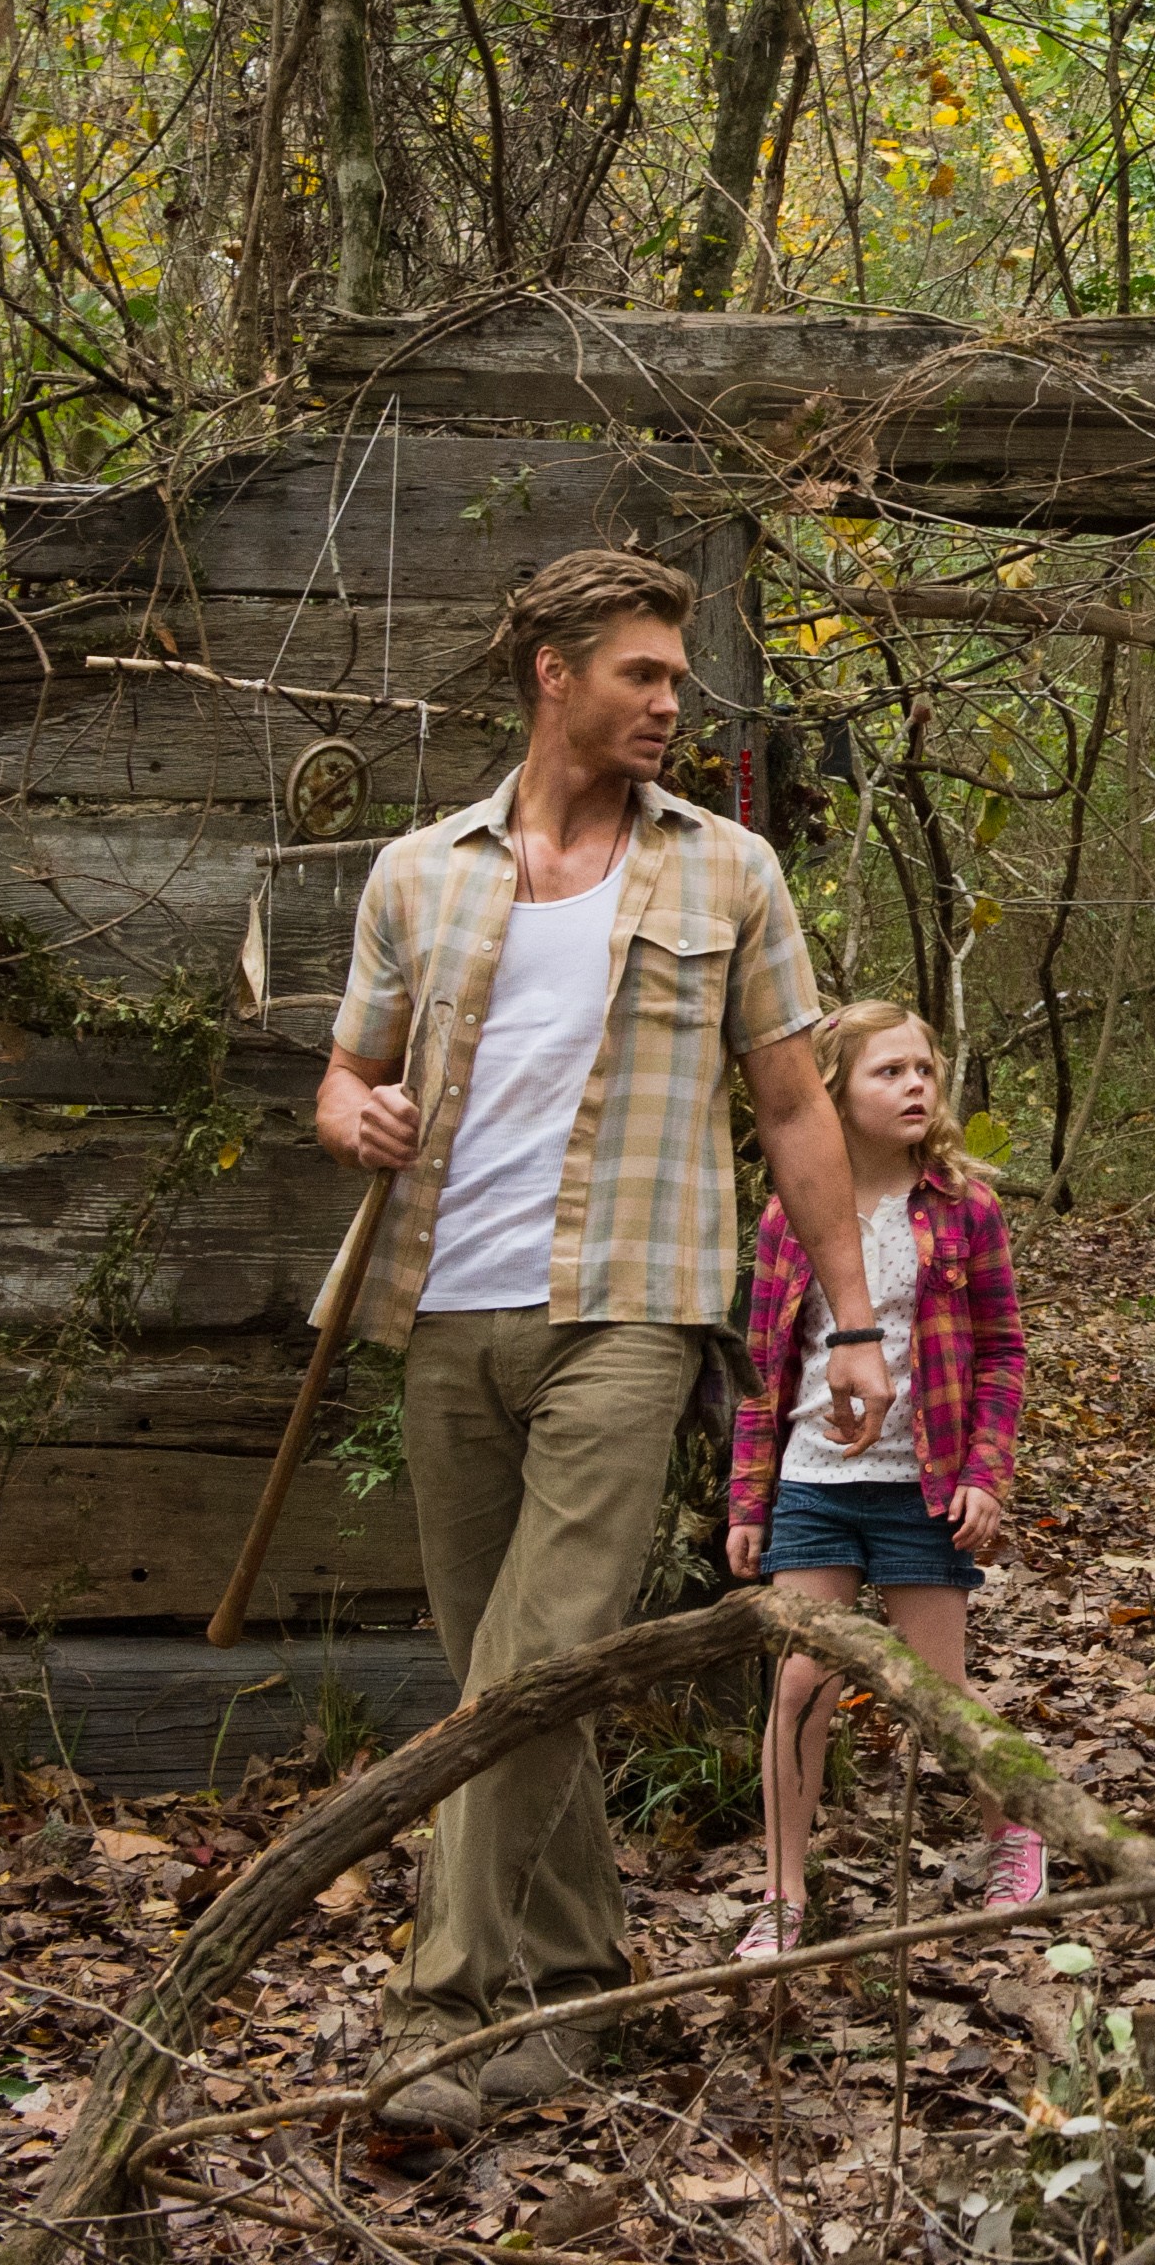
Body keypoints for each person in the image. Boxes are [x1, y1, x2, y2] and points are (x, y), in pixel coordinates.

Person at [317, 547, 893, 2136]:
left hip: (633, 1309)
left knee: (531, 1660)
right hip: (444, 1312)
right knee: (511, 1672)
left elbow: (792, 1104)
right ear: (551, 673)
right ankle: (576, 1991)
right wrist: (349, 1110)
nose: (670, 700)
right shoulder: (418, 873)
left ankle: (434, 2017)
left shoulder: (731, 872)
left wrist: (855, 1321)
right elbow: (343, 1073)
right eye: (641, 672)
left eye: (674, 673)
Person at [724, 1000, 1039, 1953]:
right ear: (833, 1093)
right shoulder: (789, 1217)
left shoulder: (965, 1208)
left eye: (923, 1069)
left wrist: (986, 1473)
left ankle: (1014, 1835)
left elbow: (1003, 1351)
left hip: (924, 1487)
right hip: (816, 1483)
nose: (914, 1085)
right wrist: (750, 1498)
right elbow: (761, 1361)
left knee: (939, 1694)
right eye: (888, 1071)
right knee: (799, 1688)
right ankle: (782, 1895)